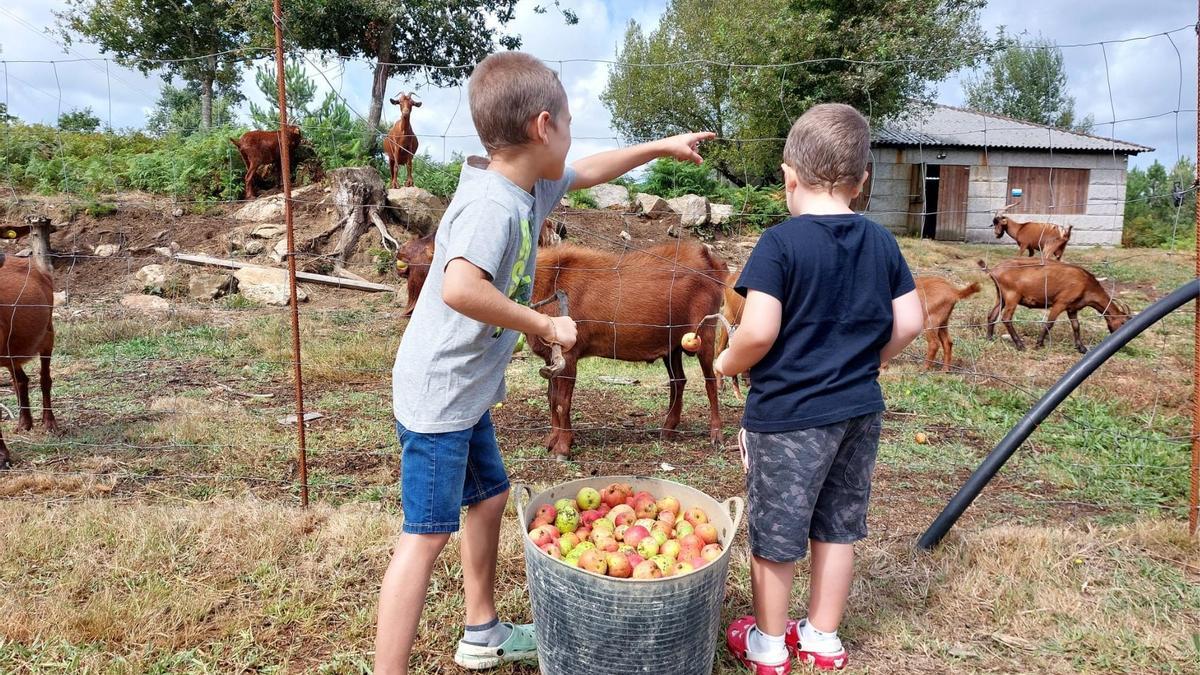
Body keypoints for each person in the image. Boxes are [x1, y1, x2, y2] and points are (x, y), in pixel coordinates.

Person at [373, 51, 715, 674]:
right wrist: (543, 321)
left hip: (465, 390)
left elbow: (588, 170)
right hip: (439, 394)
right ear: (542, 127)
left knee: (491, 497)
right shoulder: (492, 207)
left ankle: (482, 632)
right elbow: (458, 287)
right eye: (569, 121)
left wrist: (660, 147)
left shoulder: (522, 182)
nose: (572, 136)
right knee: (423, 536)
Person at [715, 103, 923, 674]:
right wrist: (862, 361)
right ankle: (824, 639)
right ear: (861, 182)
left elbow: (758, 330)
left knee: (776, 529)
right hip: (858, 409)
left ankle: (768, 643)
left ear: (788, 176)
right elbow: (910, 323)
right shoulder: (881, 240)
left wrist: (727, 361)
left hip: (788, 417)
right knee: (838, 523)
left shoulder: (780, 244)